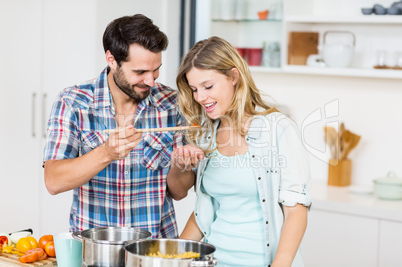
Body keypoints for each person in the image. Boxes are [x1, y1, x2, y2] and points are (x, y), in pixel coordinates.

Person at [43, 14, 199, 238]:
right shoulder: (73, 102)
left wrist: (180, 165)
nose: (151, 81)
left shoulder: (172, 105)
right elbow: (53, 181)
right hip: (94, 249)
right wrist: (106, 153)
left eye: (156, 69)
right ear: (112, 60)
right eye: (140, 72)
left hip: (155, 250)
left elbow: (179, 192)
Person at [168, 36, 312, 266]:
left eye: (208, 86)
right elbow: (203, 216)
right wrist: (171, 259)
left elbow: (296, 213)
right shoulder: (206, 136)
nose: (200, 97)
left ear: (234, 77)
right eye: (194, 89)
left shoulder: (278, 129)